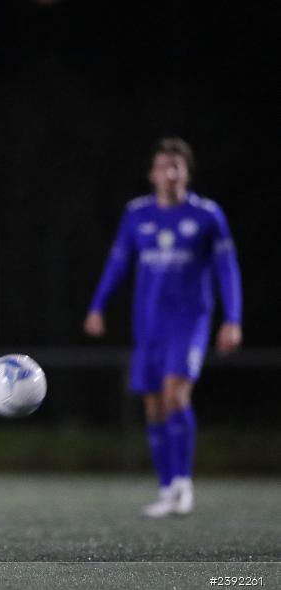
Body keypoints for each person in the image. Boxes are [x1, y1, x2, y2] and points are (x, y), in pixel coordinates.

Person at [84, 138, 242, 518]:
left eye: (176, 167)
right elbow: (118, 263)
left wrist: (233, 319)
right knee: (153, 404)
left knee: (175, 394)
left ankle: (184, 484)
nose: (169, 173)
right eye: (163, 167)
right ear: (152, 174)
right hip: (148, 323)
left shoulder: (207, 215)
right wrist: (97, 306)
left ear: (186, 173)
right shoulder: (137, 214)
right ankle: (168, 488)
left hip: (189, 321)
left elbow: (227, 270)